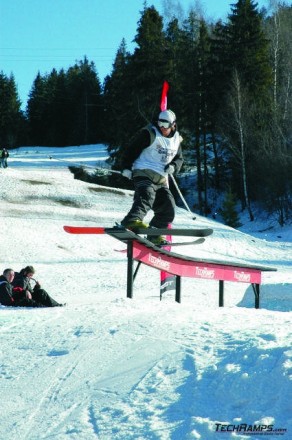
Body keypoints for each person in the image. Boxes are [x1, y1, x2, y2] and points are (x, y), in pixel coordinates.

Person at [119, 109, 183, 245]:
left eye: (166, 125)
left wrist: (174, 166)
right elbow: (131, 149)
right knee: (147, 195)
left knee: (168, 207)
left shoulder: (176, 139)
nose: (162, 127)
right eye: (160, 123)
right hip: (143, 171)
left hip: (160, 178)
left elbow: (179, 158)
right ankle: (132, 220)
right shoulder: (149, 133)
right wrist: (125, 167)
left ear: (173, 125)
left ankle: (155, 233)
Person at [0, 267, 64, 307]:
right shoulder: (20, 279)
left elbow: (15, 291)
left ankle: (53, 305)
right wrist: (25, 296)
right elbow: (9, 300)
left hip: (24, 296)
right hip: (23, 297)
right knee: (41, 293)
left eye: (13, 275)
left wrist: (36, 287)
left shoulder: (24, 279)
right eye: (9, 275)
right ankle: (50, 306)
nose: (12, 277)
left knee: (41, 292)